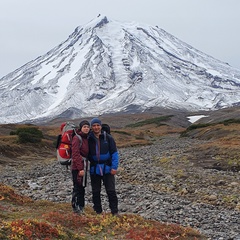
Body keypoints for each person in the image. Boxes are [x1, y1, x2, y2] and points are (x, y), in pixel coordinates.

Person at [88, 118, 119, 215]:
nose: (96, 127)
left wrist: (114, 167)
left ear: (101, 126)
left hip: (108, 168)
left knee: (111, 191)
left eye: (98, 125)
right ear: (91, 127)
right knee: (95, 192)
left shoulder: (108, 138)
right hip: (94, 169)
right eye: (94, 125)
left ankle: (114, 212)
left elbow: (114, 153)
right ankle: (98, 212)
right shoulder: (88, 138)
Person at [71, 120, 90, 214]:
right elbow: (75, 154)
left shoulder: (86, 138)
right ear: (81, 128)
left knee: (82, 187)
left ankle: (81, 207)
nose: (86, 128)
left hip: (84, 166)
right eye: (84, 127)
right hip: (77, 168)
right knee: (77, 186)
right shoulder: (77, 138)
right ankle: (75, 207)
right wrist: (80, 168)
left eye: (87, 127)